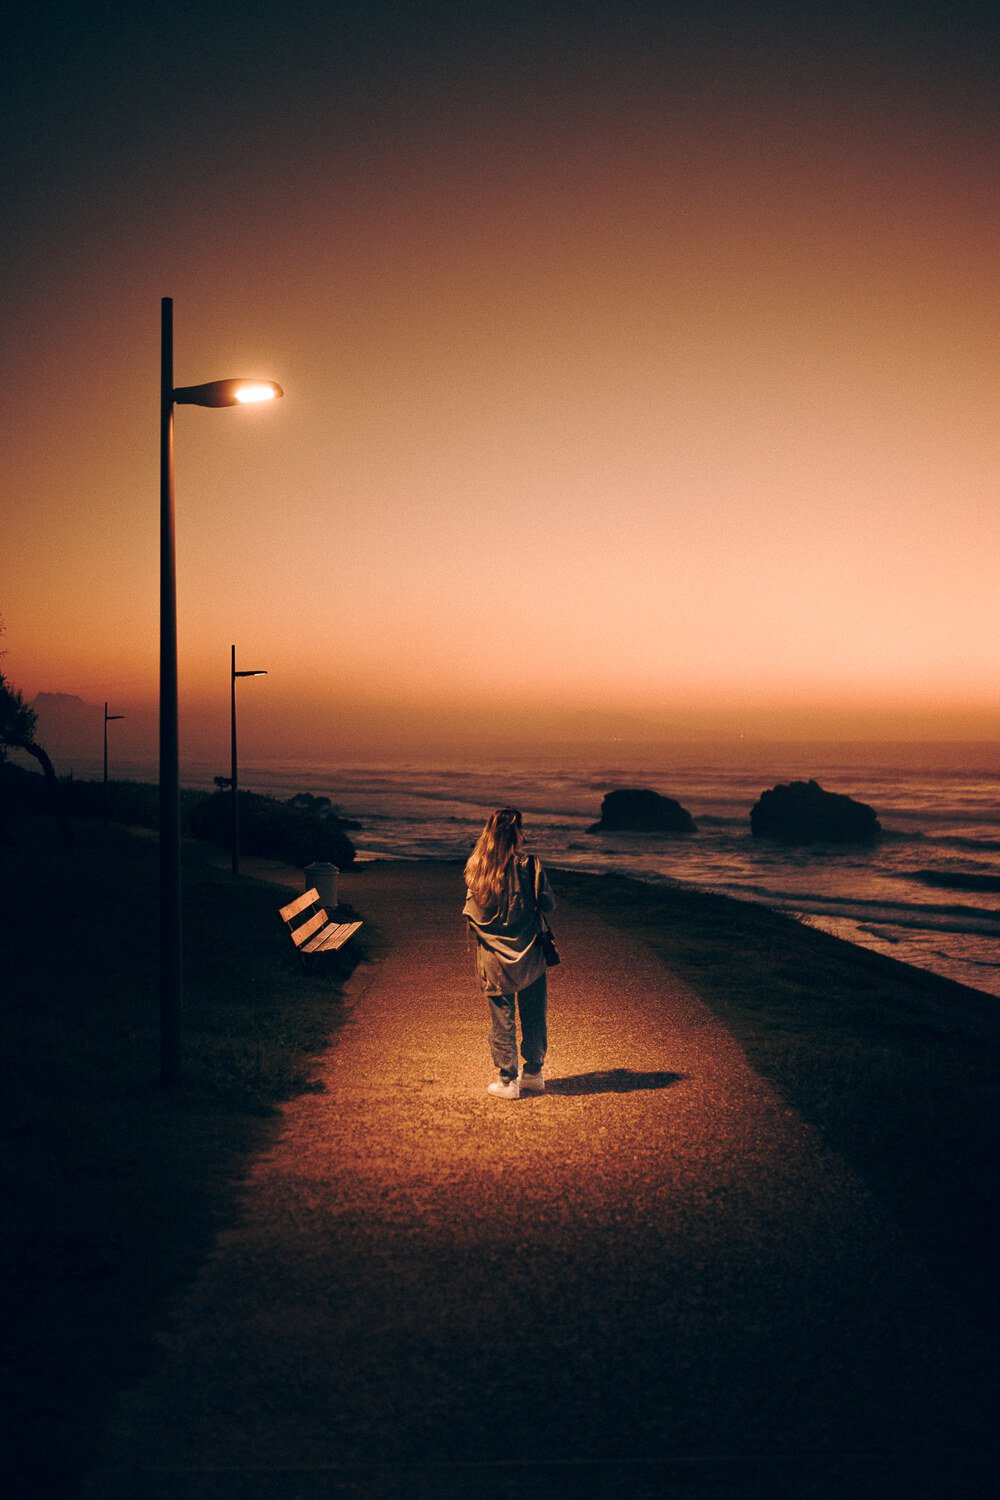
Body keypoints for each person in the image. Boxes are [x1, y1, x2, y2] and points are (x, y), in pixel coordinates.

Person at [463, 807, 555, 1099]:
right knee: (533, 1015)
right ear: (518, 833)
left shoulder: (477, 867)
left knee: (502, 1019)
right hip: (529, 952)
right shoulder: (531, 866)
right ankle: (534, 1073)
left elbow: (472, 913)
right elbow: (549, 904)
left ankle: (507, 1081)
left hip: (493, 956)